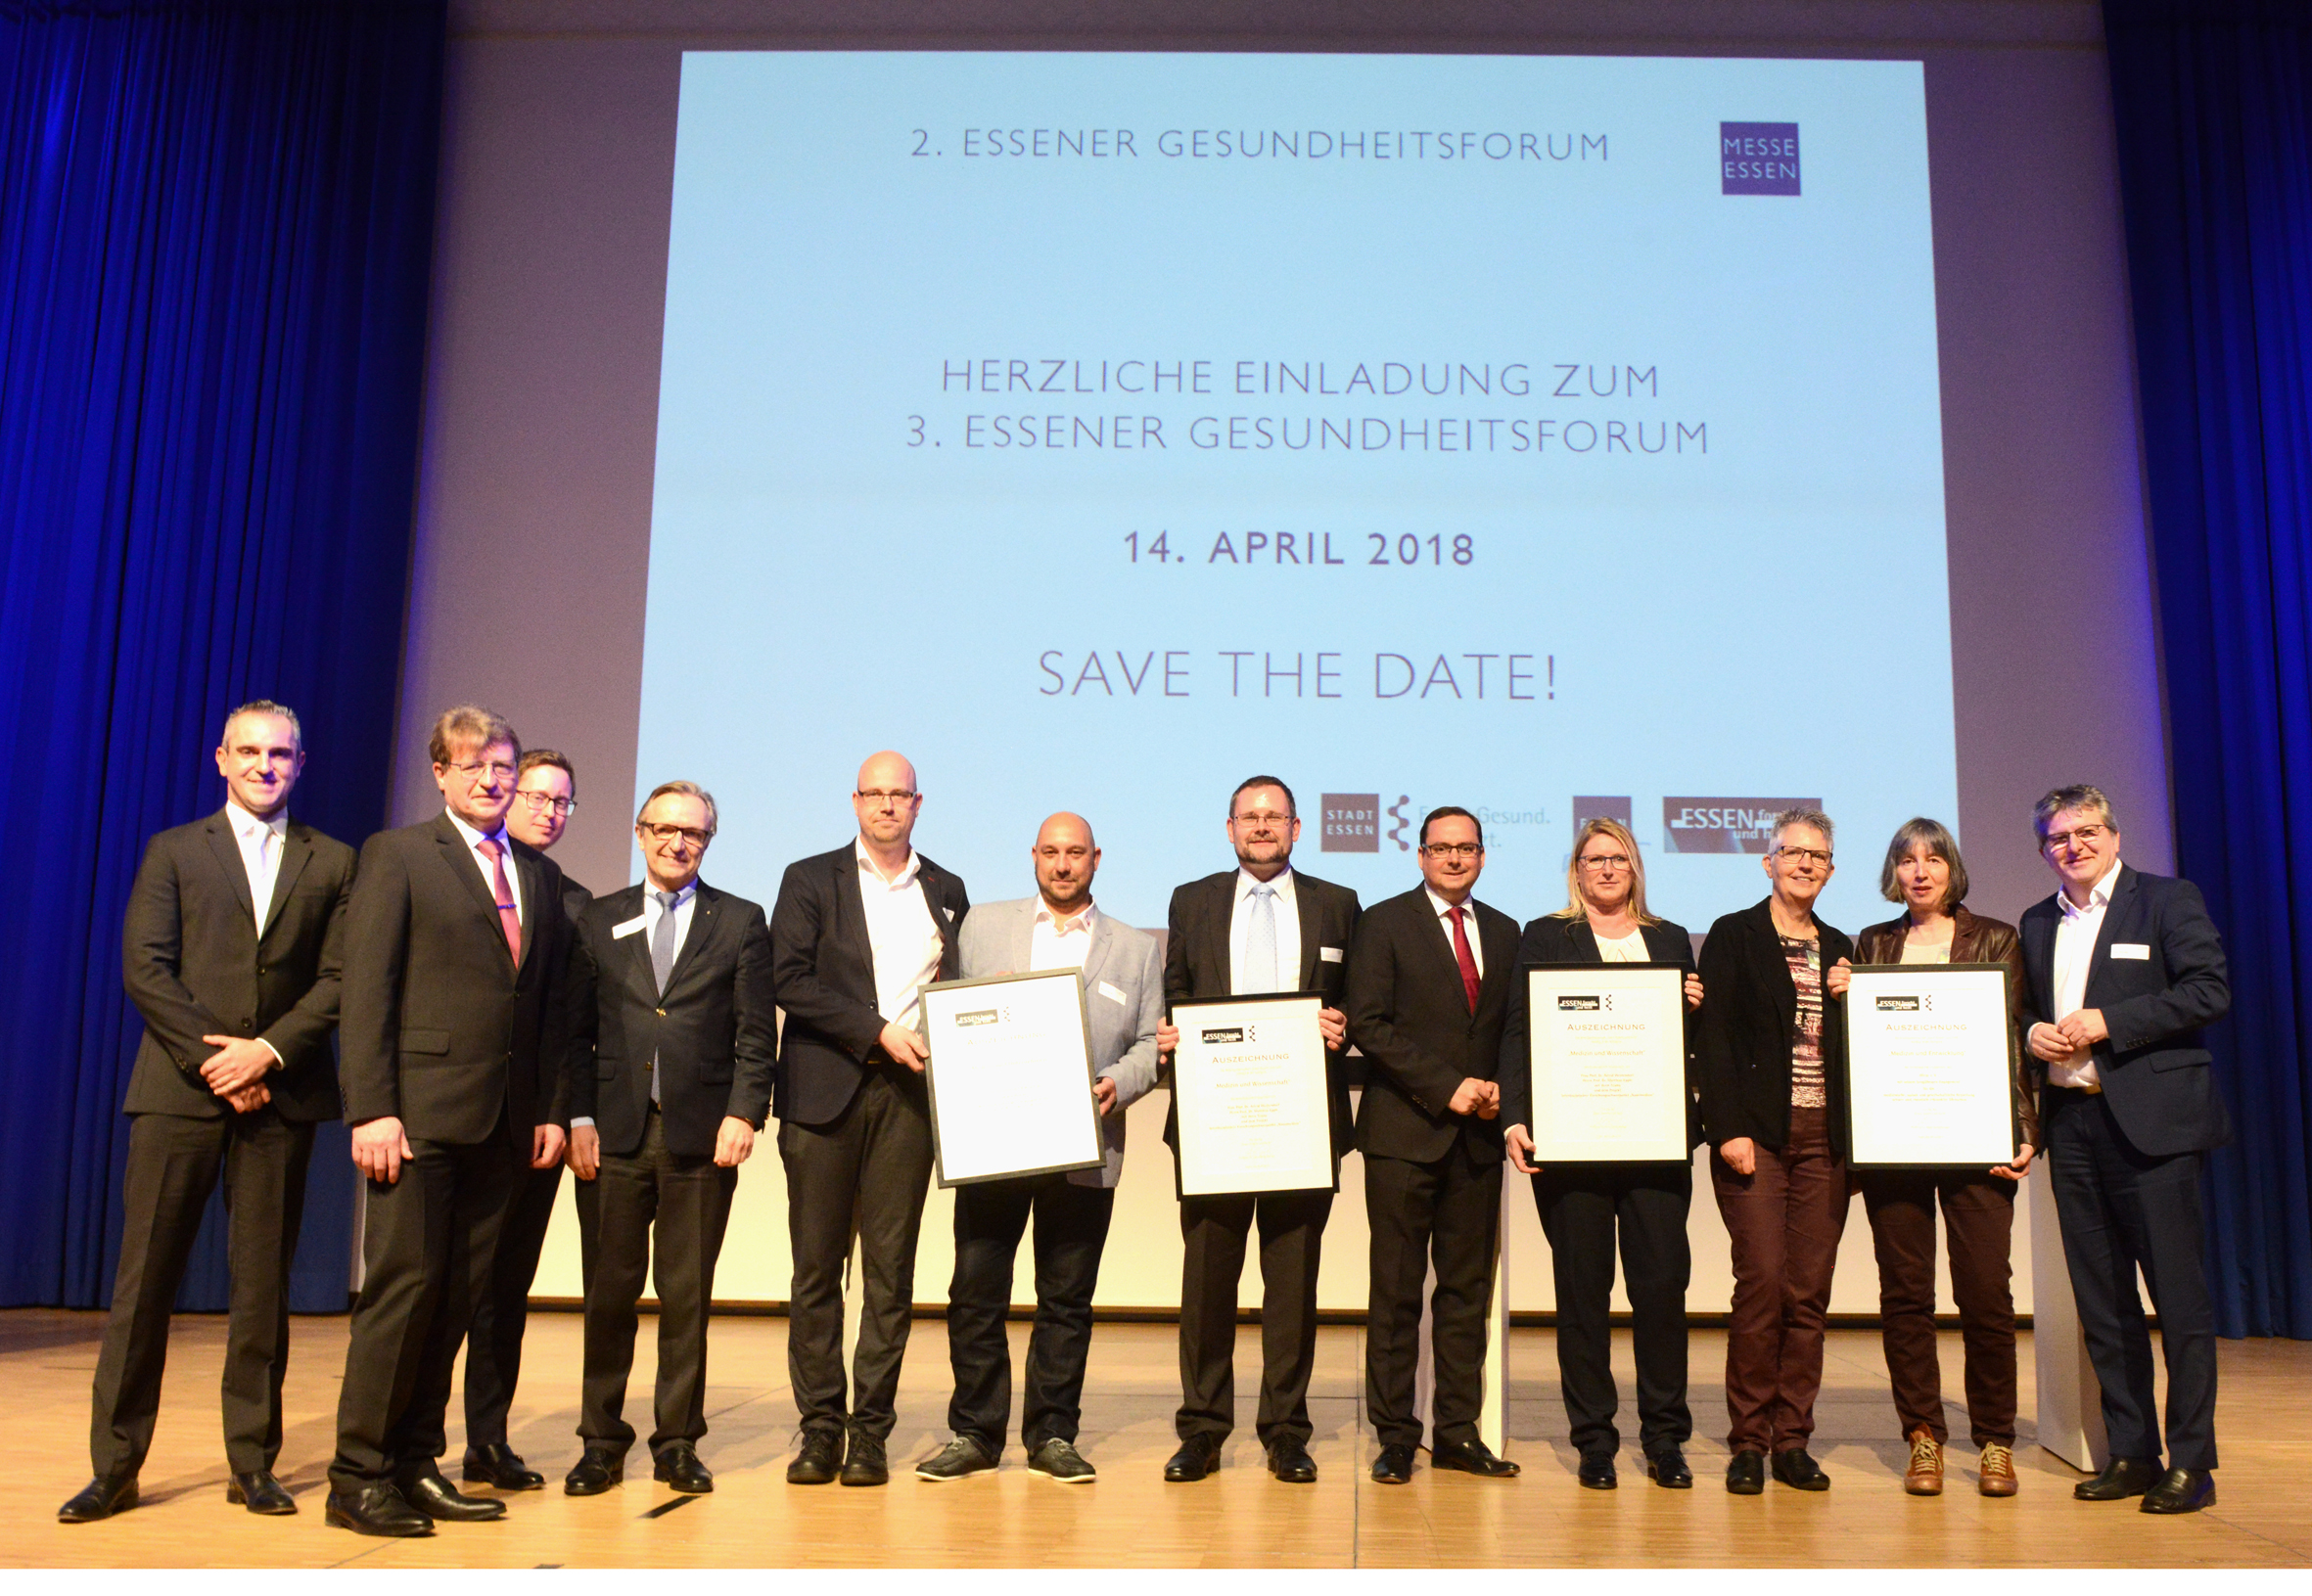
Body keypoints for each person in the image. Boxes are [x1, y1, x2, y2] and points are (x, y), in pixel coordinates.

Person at [61, 703, 356, 1525]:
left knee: (262, 1287)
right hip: (178, 1093)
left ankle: (252, 1462)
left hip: (280, 1094)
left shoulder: (334, 860)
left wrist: (267, 1053)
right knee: (144, 1282)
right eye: (250, 751)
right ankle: (114, 1466)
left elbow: (339, 977)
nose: (265, 764)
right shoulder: (174, 850)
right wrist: (219, 1062)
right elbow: (145, 967)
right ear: (220, 758)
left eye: (281, 753)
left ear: (301, 763)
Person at [325, 706, 572, 1537]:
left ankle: (415, 1461)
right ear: (440, 773)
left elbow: (541, 1008)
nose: (491, 780)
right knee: (403, 1294)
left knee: (457, 1299)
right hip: (417, 1118)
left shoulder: (535, 874)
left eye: (502, 766)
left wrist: (546, 1109)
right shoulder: (398, 855)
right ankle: (357, 1474)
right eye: (473, 765)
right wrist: (372, 1108)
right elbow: (368, 989)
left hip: (502, 1126)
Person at [915, 813, 1162, 1483]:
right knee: (976, 1293)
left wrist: (1118, 1083)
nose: (1062, 864)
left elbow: (1150, 1044)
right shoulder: (983, 925)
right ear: (1033, 855)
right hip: (993, 1143)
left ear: (1096, 859)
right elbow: (944, 1013)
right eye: (1051, 852)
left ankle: (1053, 1433)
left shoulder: (1137, 948)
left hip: (1084, 1148)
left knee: (1066, 1299)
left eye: (1075, 852)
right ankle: (975, 1431)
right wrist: (977, 1004)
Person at [2018, 785, 2229, 1515]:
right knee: (2103, 1304)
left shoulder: (2166, 900)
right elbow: (2025, 1008)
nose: (2073, 845)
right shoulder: (2038, 920)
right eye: (2058, 836)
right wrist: (2031, 1033)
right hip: (2073, 1127)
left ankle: (2193, 1462)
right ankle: (2134, 1452)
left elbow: (2209, 991)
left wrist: (2113, 1019)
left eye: (2086, 831)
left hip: (2155, 1128)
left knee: (2178, 1301)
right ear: (2043, 849)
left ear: (2113, 834)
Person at [562, 782, 774, 1497]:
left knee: (687, 1300)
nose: (677, 842)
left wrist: (745, 1112)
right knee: (607, 1297)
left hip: (701, 1139)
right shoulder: (599, 917)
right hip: (612, 1135)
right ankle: (600, 1442)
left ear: (709, 840)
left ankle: (678, 1442)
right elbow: (576, 1032)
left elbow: (755, 1033)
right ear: (639, 831)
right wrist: (579, 1117)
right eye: (664, 829)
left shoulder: (740, 920)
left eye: (693, 833)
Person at [1151, 775, 1361, 1485]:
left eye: (1275, 817)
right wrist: (1170, 1028)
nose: (1262, 826)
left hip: (1302, 1124)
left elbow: (1360, 998)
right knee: (1207, 1284)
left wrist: (1344, 1023)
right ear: (1230, 827)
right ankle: (1202, 1430)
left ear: (1297, 828)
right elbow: (1175, 989)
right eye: (1250, 816)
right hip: (1214, 1121)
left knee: (1292, 1286)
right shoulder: (1192, 899)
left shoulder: (1338, 903)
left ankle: (1286, 1432)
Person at [768, 752, 969, 1487]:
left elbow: (960, 989)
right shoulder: (808, 879)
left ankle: (869, 1434)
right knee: (818, 1271)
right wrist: (877, 1030)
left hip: (907, 1100)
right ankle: (820, 1428)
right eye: (874, 793)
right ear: (855, 801)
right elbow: (789, 979)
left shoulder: (946, 888)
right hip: (823, 1095)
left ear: (918, 803)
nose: (887, 805)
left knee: (890, 1275)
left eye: (899, 794)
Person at [1826, 818, 2036, 1498]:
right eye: (1907, 860)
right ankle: (1923, 1434)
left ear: (1952, 868)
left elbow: (2011, 1040)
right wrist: (1844, 998)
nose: (1920, 871)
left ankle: (1996, 1439)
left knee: (1986, 1293)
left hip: (1977, 1141)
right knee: (1906, 1295)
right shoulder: (1872, 943)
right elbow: (1859, 1047)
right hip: (1895, 1144)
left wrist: (2023, 1128)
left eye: (1933, 858)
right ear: (1894, 872)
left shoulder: (1997, 938)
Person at [1499, 816, 1703, 1491]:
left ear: (1635, 867)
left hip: (1655, 1145)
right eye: (1595, 859)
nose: (1608, 869)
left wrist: (1692, 1007)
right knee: (1582, 1296)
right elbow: (1520, 1031)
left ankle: (1665, 1439)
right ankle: (1594, 1440)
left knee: (1661, 1292)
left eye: (1619, 858)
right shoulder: (1545, 935)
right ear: (1577, 871)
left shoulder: (1669, 938)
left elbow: (1683, 1044)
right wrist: (1516, 1116)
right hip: (1572, 1143)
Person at [1345, 805, 1521, 1485]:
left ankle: (1457, 1432)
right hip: (1403, 1137)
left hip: (1477, 1143)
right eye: (1441, 848)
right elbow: (1369, 1023)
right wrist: (1448, 1088)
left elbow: (1512, 1029)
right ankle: (1395, 1435)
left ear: (1482, 856)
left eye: (1466, 848)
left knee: (1465, 1295)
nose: (1454, 858)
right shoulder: (1383, 922)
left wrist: (1502, 1091)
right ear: (1420, 855)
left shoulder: (1504, 930)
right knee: (1395, 1294)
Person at [1696, 807, 1853, 1494]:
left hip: (1826, 1141)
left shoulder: (1843, 945)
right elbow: (1715, 1039)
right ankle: (1748, 1442)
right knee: (1761, 1282)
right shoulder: (1733, 934)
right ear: (1769, 862)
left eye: (1818, 855)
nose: (1805, 864)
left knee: (1808, 1292)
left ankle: (1793, 1440)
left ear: (1831, 870)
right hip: (1755, 1133)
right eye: (1793, 853)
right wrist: (1726, 1126)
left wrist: (1857, 998)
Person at [460, 749, 593, 1492]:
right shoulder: (452, 871)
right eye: (537, 796)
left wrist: (559, 1112)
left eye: (562, 801)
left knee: (506, 1290)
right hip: (455, 1114)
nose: (548, 811)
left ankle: (487, 1439)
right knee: (438, 1285)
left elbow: (570, 1027)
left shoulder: (570, 899)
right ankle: (409, 1440)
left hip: (531, 1128)